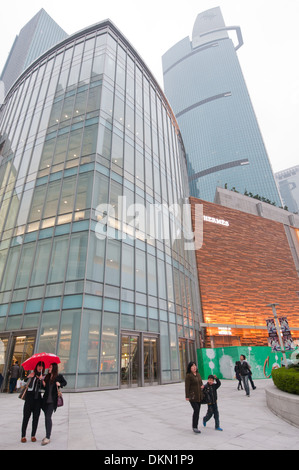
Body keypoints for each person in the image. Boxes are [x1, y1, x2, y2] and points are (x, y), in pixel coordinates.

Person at [41, 363, 67, 446]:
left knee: (48, 417)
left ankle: (48, 437)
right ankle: (47, 434)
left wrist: (60, 384)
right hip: (45, 401)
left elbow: (65, 383)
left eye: (51, 367)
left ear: (54, 368)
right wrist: (43, 382)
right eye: (49, 367)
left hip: (52, 401)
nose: (49, 368)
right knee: (46, 418)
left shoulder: (58, 376)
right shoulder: (47, 377)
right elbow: (44, 388)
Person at [21, 361, 45, 443]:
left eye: (42, 366)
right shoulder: (32, 375)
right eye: (39, 366)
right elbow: (22, 383)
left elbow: (45, 388)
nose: (40, 367)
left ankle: (33, 435)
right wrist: (28, 377)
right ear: (36, 366)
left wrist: (43, 381)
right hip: (29, 398)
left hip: (37, 399)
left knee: (36, 418)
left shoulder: (43, 377)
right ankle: (23, 435)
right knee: (26, 417)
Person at [185, 361, 204, 434]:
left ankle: (195, 426)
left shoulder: (198, 374)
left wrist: (202, 386)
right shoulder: (189, 376)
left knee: (197, 411)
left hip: (199, 395)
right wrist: (187, 396)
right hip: (192, 396)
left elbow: (201, 382)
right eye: (192, 366)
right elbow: (187, 386)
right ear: (190, 368)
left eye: (195, 365)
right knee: (196, 410)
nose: (194, 367)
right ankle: (194, 427)